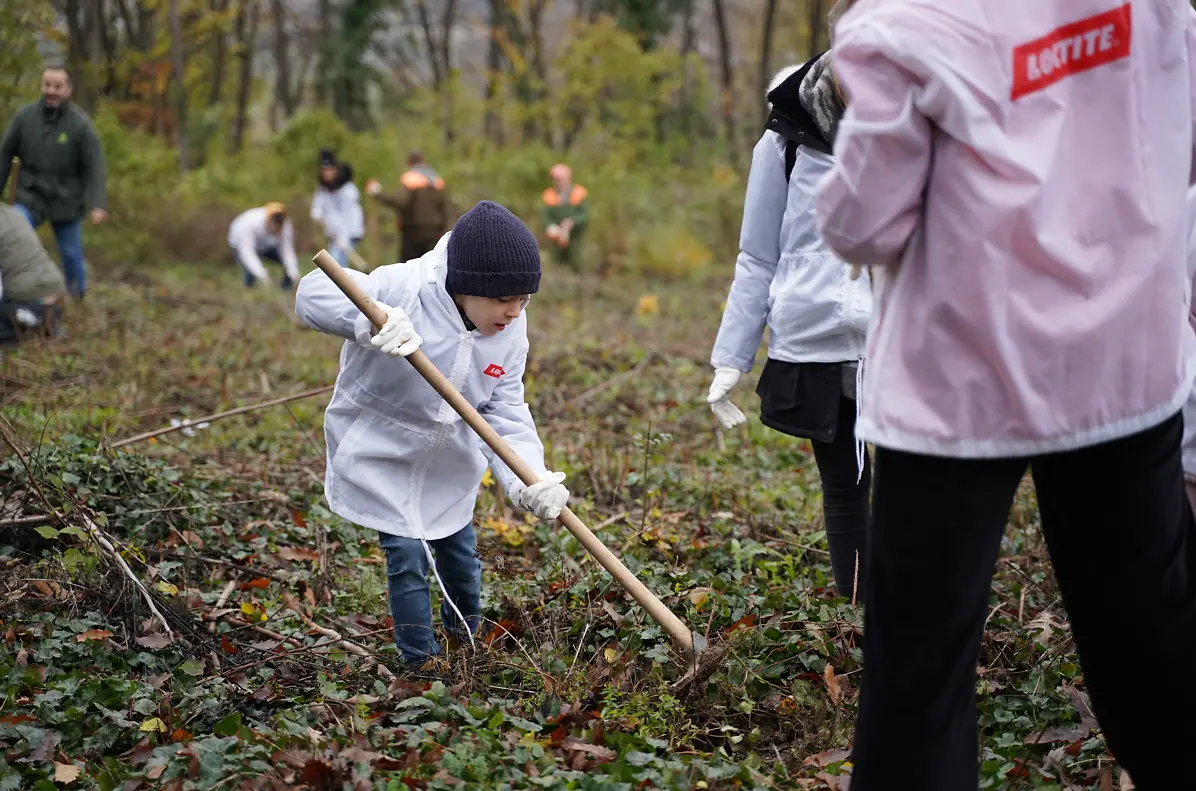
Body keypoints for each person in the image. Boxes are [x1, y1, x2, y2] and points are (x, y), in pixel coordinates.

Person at [816, 2, 1196, 788]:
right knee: (1155, 647)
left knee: (921, 676)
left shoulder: (909, 25)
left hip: (959, 389)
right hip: (1123, 364)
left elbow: (864, 225)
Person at [295, 200, 570, 667]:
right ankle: (419, 665)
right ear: (470, 286)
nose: (515, 312)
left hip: (448, 466)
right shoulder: (404, 286)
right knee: (406, 556)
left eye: (525, 300)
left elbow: (504, 410)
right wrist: (370, 319)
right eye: (505, 300)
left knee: (462, 561)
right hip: (383, 452)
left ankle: (466, 641)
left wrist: (530, 477)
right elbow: (312, 293)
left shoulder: (511, 331)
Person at [707, 10, 870, 601]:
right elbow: (757, 256)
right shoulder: (785, 138)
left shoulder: (914, 124)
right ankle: (858, 611)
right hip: (815, 340)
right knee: (845, 486)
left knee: (917, 489)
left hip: (899, 340)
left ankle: (910, 614)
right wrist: (733, 356)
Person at [0, 65, 107, 299]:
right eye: (47, 85)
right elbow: (5, 155)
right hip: (30, 196)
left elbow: (95, 166)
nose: (51, 91)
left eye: (58, 86)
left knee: (71, 254)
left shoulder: (79, 125)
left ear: (68, 90)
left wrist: (97, 203)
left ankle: (77, 297)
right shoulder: (25, 118)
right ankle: (17, 295)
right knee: (15, 237)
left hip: (66, 200)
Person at [365, 152, 452, 262]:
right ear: (423, 161)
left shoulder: (410, 179)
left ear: (409, 163)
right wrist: (443, 229)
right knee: (431, 264)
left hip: (413, 232)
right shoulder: (436, 180)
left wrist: (378, 194)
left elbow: (400, 201)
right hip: (434, 231)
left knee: (410, 265)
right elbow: (444, 208)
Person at [0, 203, 66, 345]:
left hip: (27, 299)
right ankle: (44, 324)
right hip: (55, 292)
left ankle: (24, 330)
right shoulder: (12, 212)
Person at [311, 149, 364, 269]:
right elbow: (318, 207)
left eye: (329, 170)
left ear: (335, 170)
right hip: (334, 234)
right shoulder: (323, 189)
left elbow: (347, 216)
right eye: (324, 170)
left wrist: (343, 239)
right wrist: (317, 214)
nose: (326, 173)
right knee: (332, 263)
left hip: (349, 233)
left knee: (336, 265)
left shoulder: (348, 190)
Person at [227, 202, 300, 289]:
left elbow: (287, 250)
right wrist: (262, 274)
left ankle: (287, 288)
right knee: (249, 269)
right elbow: (247, 252)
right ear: (269, 220)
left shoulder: (285, 225)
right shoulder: (249, 224)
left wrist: (294, 273)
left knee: (285, 266)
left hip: (266, 245)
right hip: (239, 244)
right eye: (275, 224)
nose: (278, 228)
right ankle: (249, 290)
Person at [540, 164, 588, 270]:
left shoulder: (579, 193)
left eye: (559, 179)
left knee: (576, 261)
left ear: (568, 178)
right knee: (556, 263)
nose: (557, 182)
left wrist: (571, 222)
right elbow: (545, 217)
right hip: (556, 238)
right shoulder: (549, 194)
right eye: (555, 179)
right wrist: (551, 227)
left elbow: (584, 214)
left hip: (575, 237)